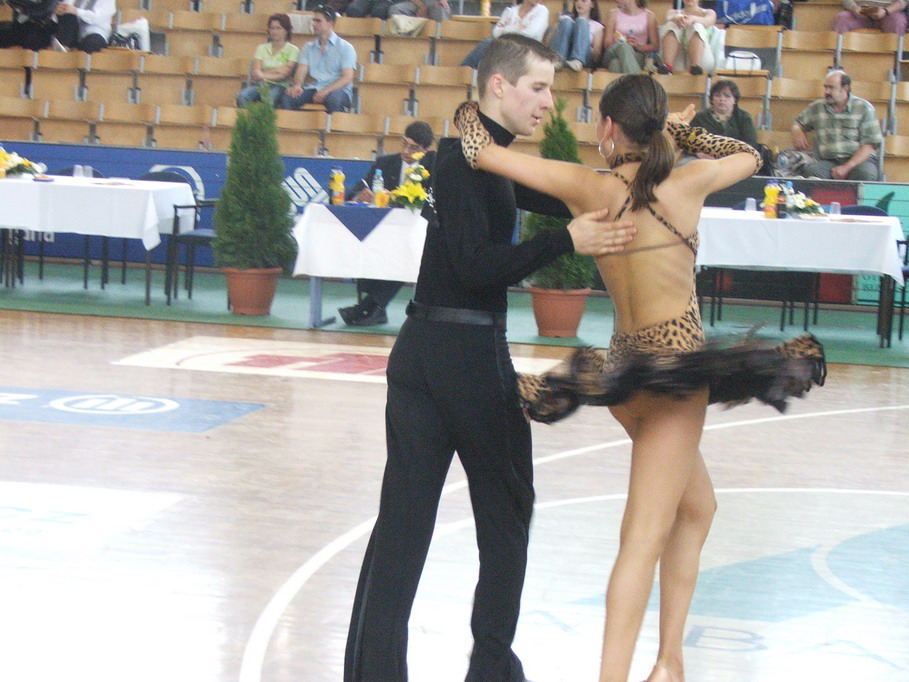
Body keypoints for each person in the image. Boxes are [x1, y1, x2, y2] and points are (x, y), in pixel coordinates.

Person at [453, 73, 825, 682]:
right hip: (676, 380)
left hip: (623, 378)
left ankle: (670, 662)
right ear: (655, 127)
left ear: (607, 127)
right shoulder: (687, 182)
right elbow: (751, 155)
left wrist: (474, 107)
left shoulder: (586, 185)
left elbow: (479, 150)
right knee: (642, 541)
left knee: (697, 508)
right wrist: (680, 131)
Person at [344, 34, 636, 682]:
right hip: (466, 357)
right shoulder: (462, 164)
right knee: (505, 516)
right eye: (538, 87)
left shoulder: (481, 158)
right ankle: (492, 668)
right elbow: (478, 268)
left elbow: (560, 193)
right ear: (498, 86)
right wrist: (567, 239)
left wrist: (623, 180)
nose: (549, 103)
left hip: (423, 355)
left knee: (403, 529)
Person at [338, 120, 438, 327]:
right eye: (404, 144)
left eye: (414, 148)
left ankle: (371, 306)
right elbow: (355, 190)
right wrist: (361, 195)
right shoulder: (385, 163)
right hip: (383, 232)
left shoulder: (435, 166)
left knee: (403, 251)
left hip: (420, 234)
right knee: (371, 244)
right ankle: (373, 306)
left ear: (426, 149)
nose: (406, 151)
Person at [791, 69, 882, 181]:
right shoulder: (817, 107)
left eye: (831, 88)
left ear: (845, 88)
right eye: (825, 87)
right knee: (811, 172)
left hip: (859, 161)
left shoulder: (864, 108)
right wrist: (797, 131)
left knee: (865, 174)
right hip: (828, 162)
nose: (827, 92)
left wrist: (847, 167)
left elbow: (870, 145)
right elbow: (798, 123)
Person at [278, 5, 355, 114]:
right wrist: (298, 85)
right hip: (315, 88)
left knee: (333, 99)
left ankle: (334, 125)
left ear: (330, 23)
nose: (314, 24)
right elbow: (301, 70)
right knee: (289, 97)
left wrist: (326, 91)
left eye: (318, 21)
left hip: (338, 90)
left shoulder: (346, 47)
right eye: (314, 20)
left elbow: (347, 77)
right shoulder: (308, 47)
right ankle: (297, 125)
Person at [689, 79, 773, 173]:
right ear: (711, 99)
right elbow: (689, 140)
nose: (722, 99)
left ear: (734, 100)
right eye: (717, 95)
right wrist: (699, 154)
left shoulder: (744, 117)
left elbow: (750, 143)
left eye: (727, 96)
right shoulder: (700, 117)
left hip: (736, 161)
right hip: (705, 161)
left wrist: (730, 159)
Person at [460, 0, 550, 68]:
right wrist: (518, 27)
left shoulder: (542, 11)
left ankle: (464, 71)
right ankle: (465, 72)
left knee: (488, 44)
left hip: (528, 50)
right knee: (488, 44)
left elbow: (529, 33)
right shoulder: (511, 11)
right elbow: (496, 33)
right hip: (506, 46)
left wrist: (507, 28)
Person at [235, 14, 299, 109]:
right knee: (241, 97)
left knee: (269, 100)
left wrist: (263, 74)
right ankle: (251, 118)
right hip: (261, 85)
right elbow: (256, 73)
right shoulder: (261, 48)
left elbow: (285, 74)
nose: (274, 31)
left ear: (286, 30)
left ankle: (264, 119)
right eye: (272, 28)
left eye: (278, 28)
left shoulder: (293, 50)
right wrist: (277, 70)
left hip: (281, 86)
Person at [0, 0, 114, 53]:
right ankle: (61, 49)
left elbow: (97, 17)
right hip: (70, 30)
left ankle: (63, 53)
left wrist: (76, 11)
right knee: (34, 36)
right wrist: (57, 10)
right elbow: (62, 8)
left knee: (91, 44)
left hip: (93, 31)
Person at [657, 0, 716, 75]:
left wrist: (693, 19)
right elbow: (669, 18)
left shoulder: (709, 12)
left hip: (702, 58)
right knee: (671, 24)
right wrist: (677, 18)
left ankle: (695, 67)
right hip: (678, 57)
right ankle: (668, 67)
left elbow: (708, 21)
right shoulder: (673, 12)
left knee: (696, 25)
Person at [600, 0, 660, 73]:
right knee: (624, 46)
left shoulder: (649, 16)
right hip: (613, 52)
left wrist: (638, 46)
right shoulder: (613, 14)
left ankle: (629, 79)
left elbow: (655, 46)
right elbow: (606, 44)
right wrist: (617, 41)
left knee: (615, 64)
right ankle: (637, 80)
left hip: (637, 53)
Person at [548, 0, 605, 72]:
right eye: (577, 0)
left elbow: (596, 55)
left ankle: (577, 61)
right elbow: (548, 41)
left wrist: (583, 44)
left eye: (583, 1)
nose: (579, 3)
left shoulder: (597, 26)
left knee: (582, 21)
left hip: (584, 59)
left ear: (592, 4)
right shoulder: (565, 20)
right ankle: (558, 61)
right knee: (566, 21)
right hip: (564, 54)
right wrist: (558, 25)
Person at [832, 0, 907, 35]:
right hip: (859, 12)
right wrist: (854, 8)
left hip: (888, 13)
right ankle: (837, 57)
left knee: (898, 21)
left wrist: (886, 11)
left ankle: (896, 58)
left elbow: (903, 1)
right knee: (842, 18)